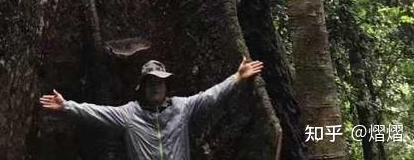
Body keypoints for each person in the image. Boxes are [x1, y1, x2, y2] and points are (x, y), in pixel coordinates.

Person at [39, 56, 264, 160]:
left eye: (160, 82)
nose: (156, 87)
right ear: (142, 87)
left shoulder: (182, 107)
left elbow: (211, 96)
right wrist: (67, 106)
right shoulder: (129, 113)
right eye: (151, 82)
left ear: (167, 85)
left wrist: (237, 77)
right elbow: (97, 112)